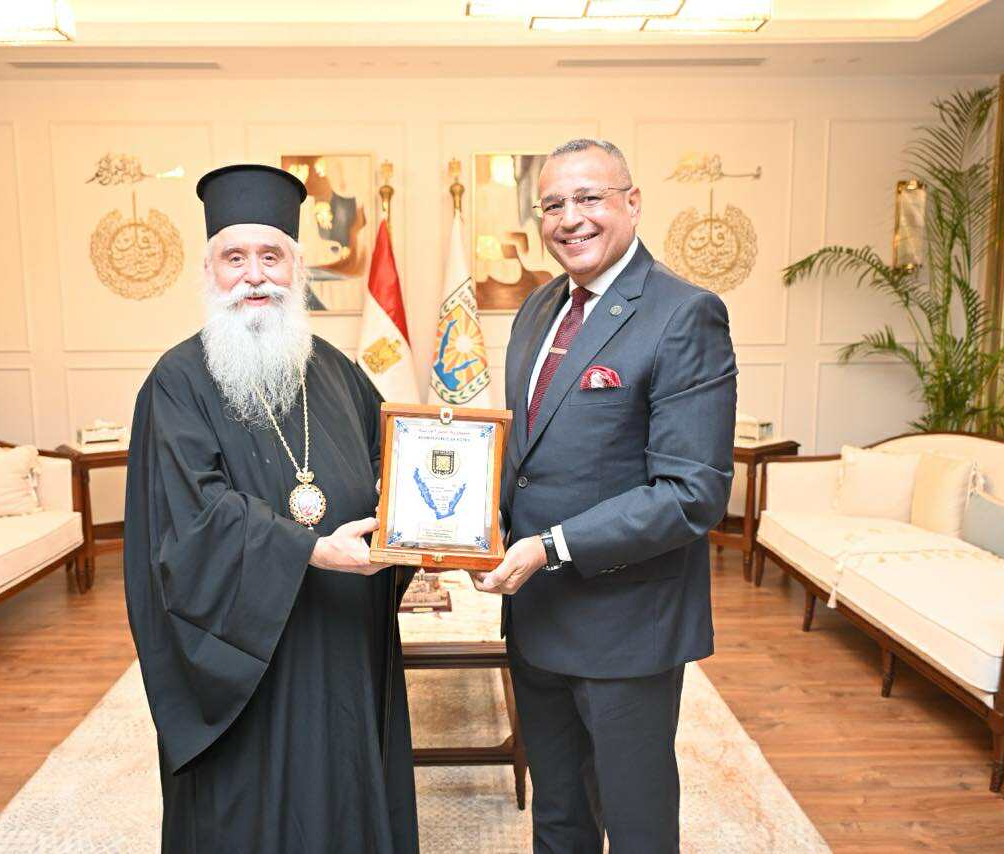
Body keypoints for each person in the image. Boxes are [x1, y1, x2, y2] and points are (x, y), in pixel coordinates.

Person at [123, 164, 418, 853]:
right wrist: (310, 548)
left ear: (296, 268)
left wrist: (430, 522)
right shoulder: (176, 381)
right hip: (242, 650)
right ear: (210, 271)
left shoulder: (339, 372)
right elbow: (190, 515)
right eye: (235, 258)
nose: (254, 276)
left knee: (343, 777)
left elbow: (392, 466)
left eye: (271, 257)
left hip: (343, 632)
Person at [474, 139, 737, 852]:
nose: (571, 218)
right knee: (559, 813)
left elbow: (691, 492)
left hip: (627, 624)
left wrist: (550, 546)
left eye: (589, 198)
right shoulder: (537, 309)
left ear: (632, 203)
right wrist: (478, 526)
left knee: (637, 822)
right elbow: (528, 458)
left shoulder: (684, 314)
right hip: (537, 616)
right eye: (553, 204)